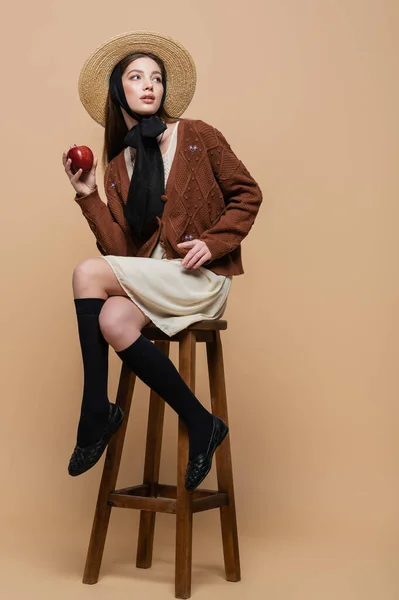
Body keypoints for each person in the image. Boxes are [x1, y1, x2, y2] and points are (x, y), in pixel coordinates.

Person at [62, 31, 263, 491]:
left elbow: (247, 194)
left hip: (198, 277)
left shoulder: (198, 136)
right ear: (120, 91)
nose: (149, 85)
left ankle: (96, 408)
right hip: (152, 280)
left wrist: (214, 243)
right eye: (136, 77)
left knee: (84, 273)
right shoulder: (117, 167)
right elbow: (119, 250)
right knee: (112, 318)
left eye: (156, 77)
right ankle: (201, 422)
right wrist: (90, 196)